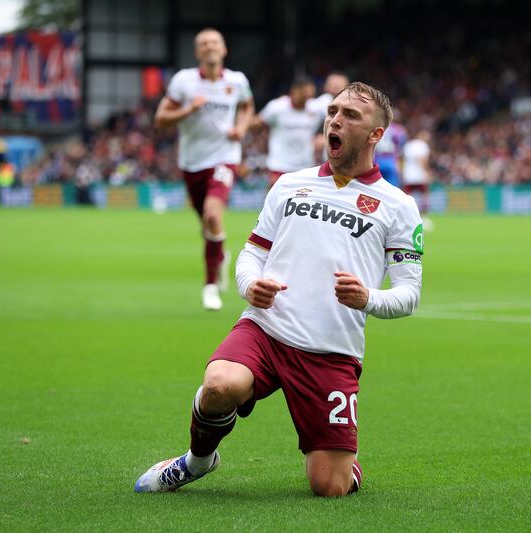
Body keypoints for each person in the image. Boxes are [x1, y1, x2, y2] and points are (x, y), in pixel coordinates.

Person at [135, 82, 424, 497]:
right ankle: (196, 462)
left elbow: (409, 293)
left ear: (376, 134)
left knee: (330, 487)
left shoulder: (397, 205)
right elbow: (251, 254)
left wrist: (368, 299)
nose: (336, 119)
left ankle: (342, 461)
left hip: (330, 351)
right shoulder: (290, 184)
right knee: (219, 384)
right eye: (333, 111)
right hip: (267, 330)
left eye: (351, 115)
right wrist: (251, 285)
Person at [154, 28, 255, 310]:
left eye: (215, 43)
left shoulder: (237, 81)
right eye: (204, 44)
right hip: (192, 162)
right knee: (207, 225)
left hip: (225, 157)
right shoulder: (184, 81)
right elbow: (161, 119)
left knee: (213, 214)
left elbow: (247, 107)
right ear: (198, 52)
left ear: (224, 50)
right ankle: (219, 254)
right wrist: (188, 110)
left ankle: (210, 286)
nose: (210, 47)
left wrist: (242, 129)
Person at [250, 76, 321, 188]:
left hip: (305, 166)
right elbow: (256, 124)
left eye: (309, 96)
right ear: (294, 91)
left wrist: (323, 138)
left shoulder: (316, 108)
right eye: (304, 95)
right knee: (274, 201)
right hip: (279, 164)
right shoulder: (277, 107)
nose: (306, 99)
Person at [308, 71, 350, 162]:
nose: (335, 86)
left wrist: (325, 140)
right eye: (332, 83)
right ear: (326, 86)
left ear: (347, 86)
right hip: (314, 155)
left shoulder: (353, 106)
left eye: (338, 83)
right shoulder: (319, 103)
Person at [401, 130, 433, 230]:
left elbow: (401, 159)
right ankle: (423, 219)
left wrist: (402, 173)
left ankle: (406, 219)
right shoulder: (423, 145)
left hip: (408, 175)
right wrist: (427, 172)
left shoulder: (408, 145)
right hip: (419, 175)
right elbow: (422, 160)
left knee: (407, 198)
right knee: (424, 196)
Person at [373, 108, 407, 187]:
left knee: (376, 188)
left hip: (377, 161)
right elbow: (401, 149)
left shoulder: (377, 127)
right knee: (392, 189)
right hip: (391, 162)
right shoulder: (399, 129)